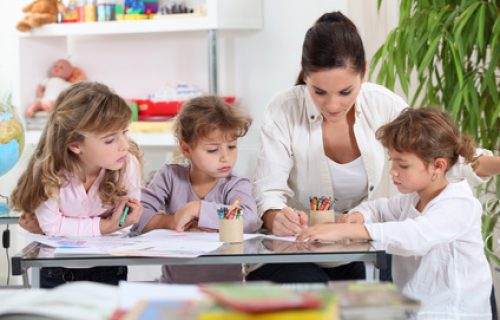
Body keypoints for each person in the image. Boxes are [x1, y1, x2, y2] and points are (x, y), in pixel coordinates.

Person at [249, 11, 492, 283]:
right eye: (318, 92)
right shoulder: (283, 109)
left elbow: (439, 153)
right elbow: (267, 192)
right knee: (314, 289)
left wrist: (492, 163)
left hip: (354, 252)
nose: (332, 105)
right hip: (295, 251)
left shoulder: (382, 104)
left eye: (345, 92)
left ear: (363, 71)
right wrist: (275, 217)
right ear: (304, 74)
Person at [297, 108, 493, 319]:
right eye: (393, 162)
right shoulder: (415, 199)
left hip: (452, 313)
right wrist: (359, 216)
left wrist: (347, 230)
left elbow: (415, 236)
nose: (393, 172)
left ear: (438, 166)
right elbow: (379, 208)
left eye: (403, 165)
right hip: (416, 310)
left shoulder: (459, 204)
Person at [11, 81, 144, 288]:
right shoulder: (48, 170)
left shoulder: (127, 165)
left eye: (124, 132)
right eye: (110, 140)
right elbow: (53, 227)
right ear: (75, 145)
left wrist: (68, 225)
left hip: (109, 268)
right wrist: (105, 225)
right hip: (57, 271)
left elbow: (123, 225)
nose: (124, 145)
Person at [132, 96, 261, 284]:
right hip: (174, 287)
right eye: (212, 150)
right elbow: (138, 216)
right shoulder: (169, 176)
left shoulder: (235, 183)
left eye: (232, 147)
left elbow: (248, 220)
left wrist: (198, 209)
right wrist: (174, 221)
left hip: (227, 289)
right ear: (186, 149)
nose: (226, 157)